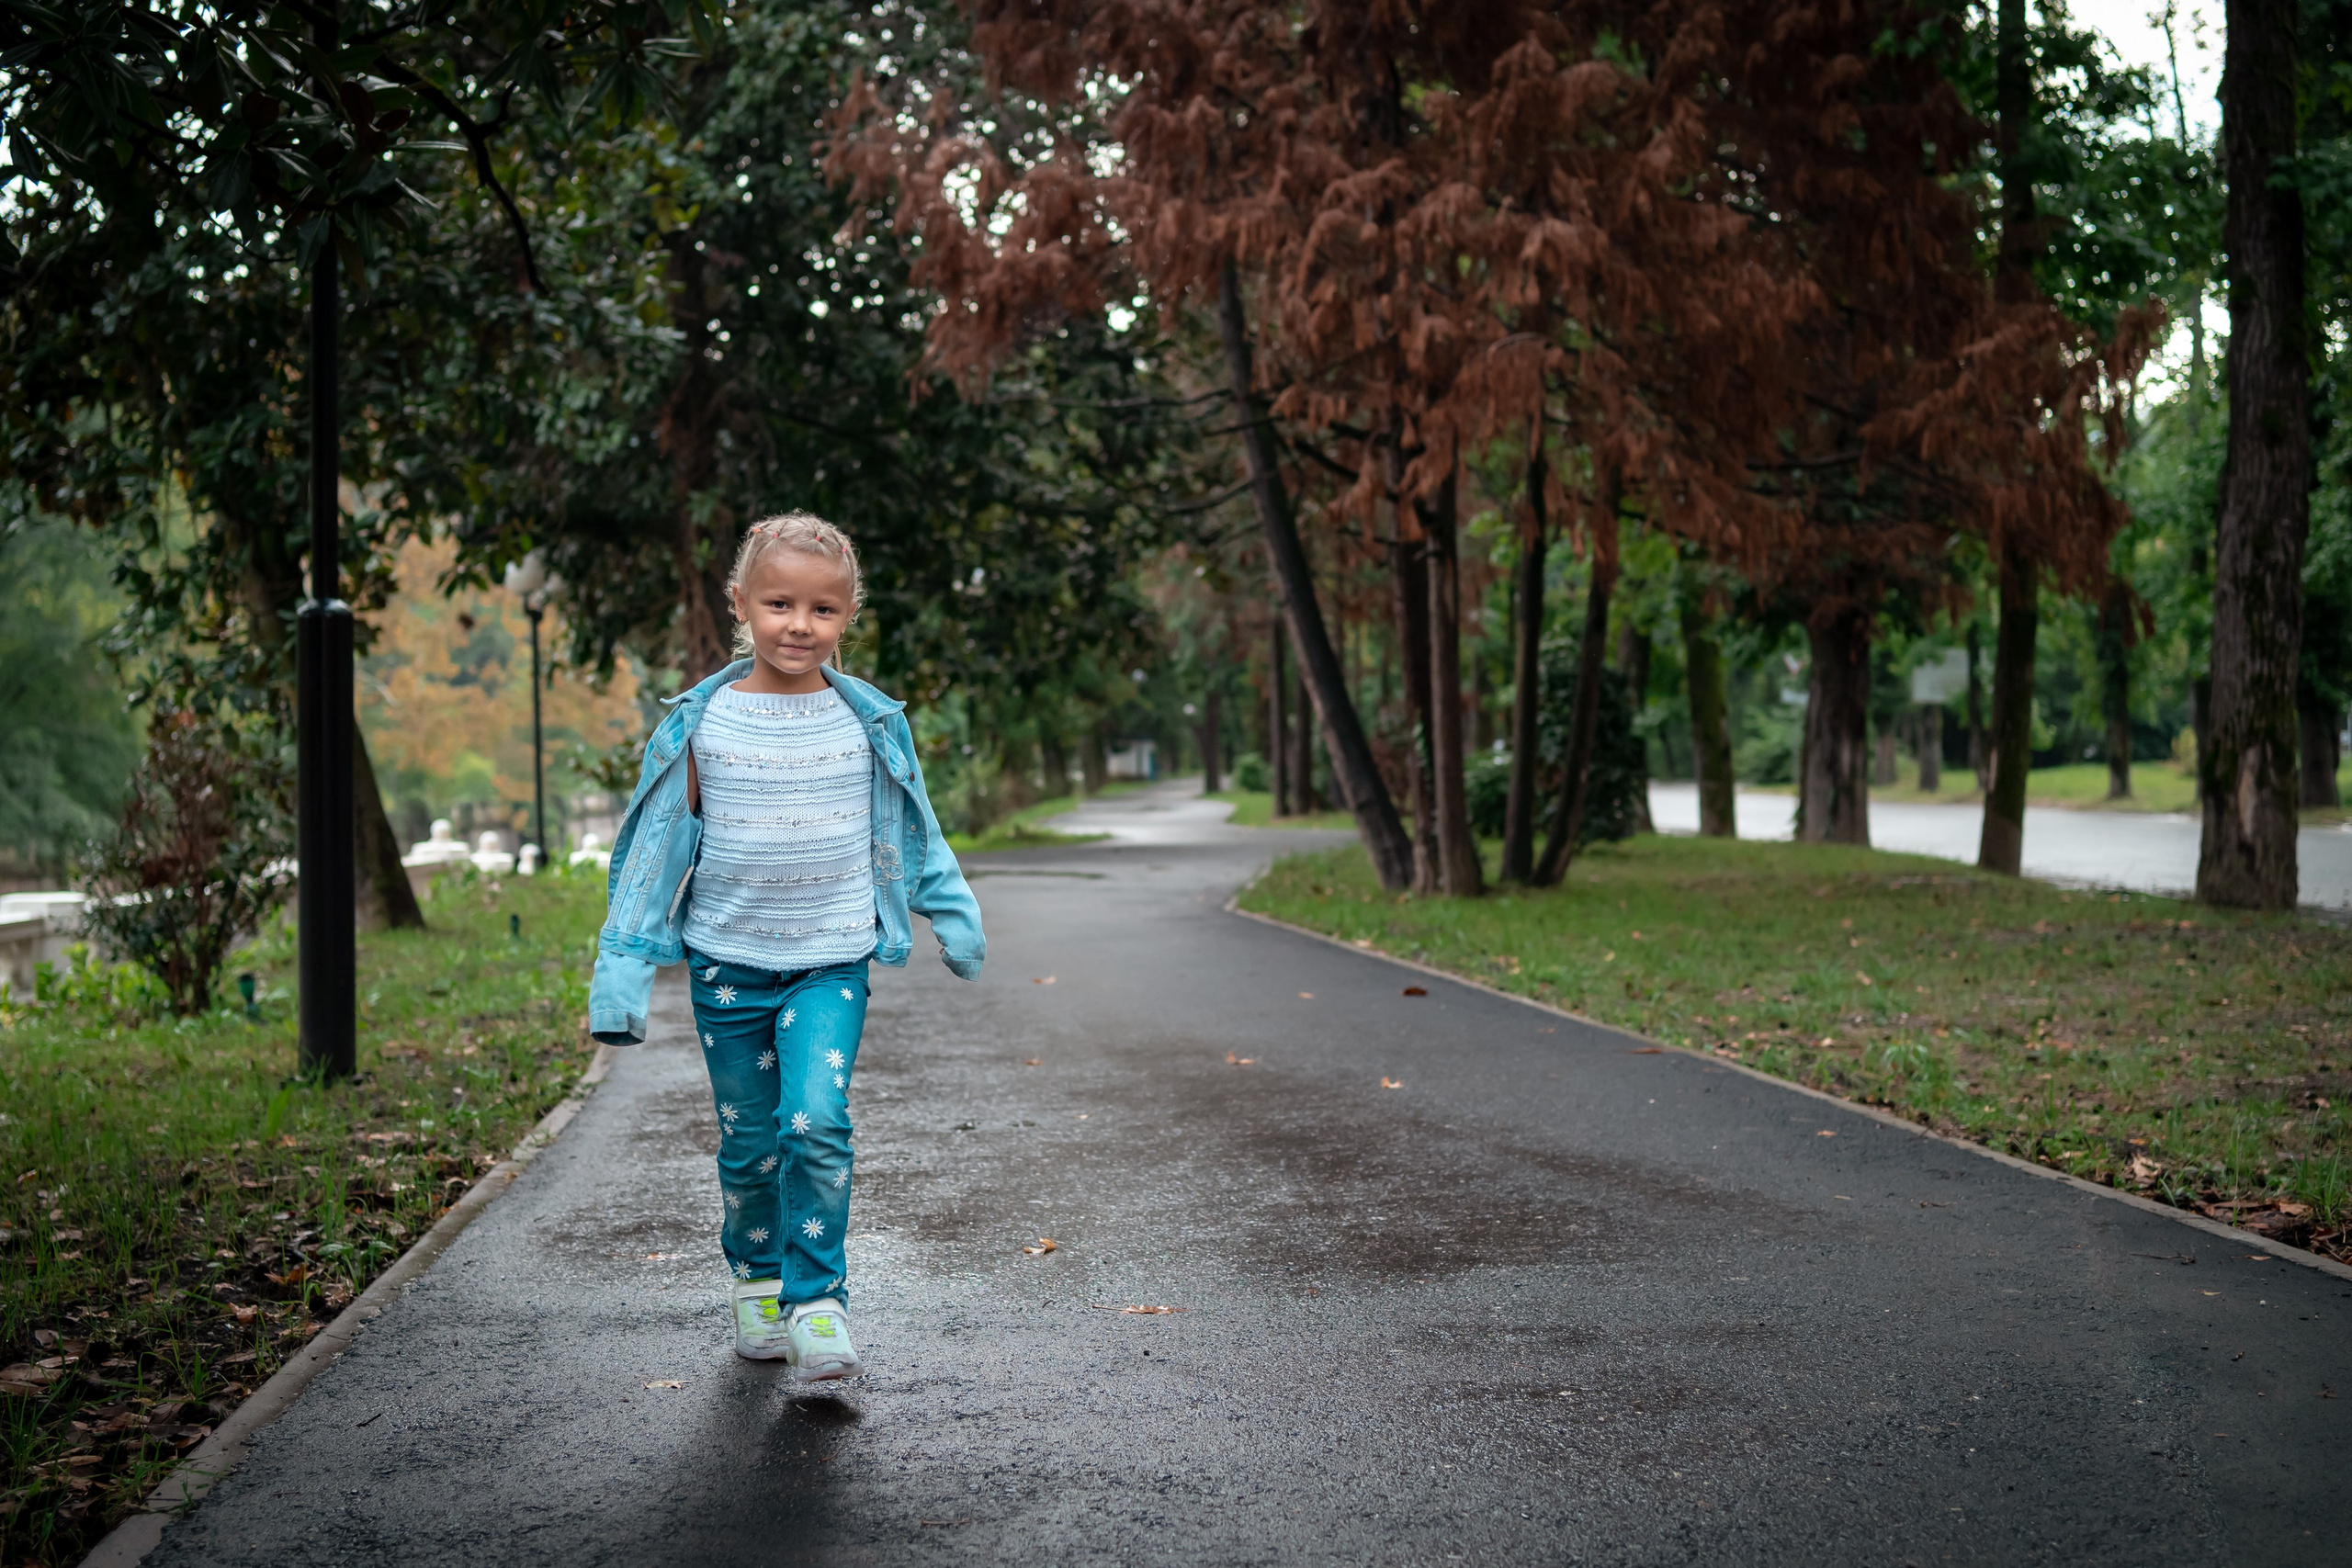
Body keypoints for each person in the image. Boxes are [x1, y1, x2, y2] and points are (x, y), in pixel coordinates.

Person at [586, 513, 984, 1380]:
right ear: (741, 604)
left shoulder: (868, 723)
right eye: (779, 603)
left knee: (818, 1122)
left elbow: (914, 831)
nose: (800, 624)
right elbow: (656, 849)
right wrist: (620, 973)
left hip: (830, 960)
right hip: (726, 964)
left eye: (823, 609)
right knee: (753, 1142)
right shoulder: (704, 722)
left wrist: (949, 910)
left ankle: (819, 1304)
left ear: (848, 616)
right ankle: (757, 1279)